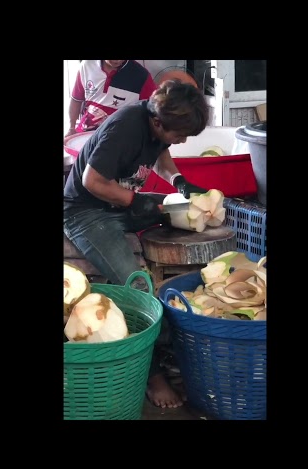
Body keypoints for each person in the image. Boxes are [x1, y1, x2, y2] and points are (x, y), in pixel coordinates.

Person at [63, 79, 210, 408]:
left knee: (185, 214)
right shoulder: (126, 127)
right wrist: (135, 201)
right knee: (135, 283)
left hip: (119, 204)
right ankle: (152, 376)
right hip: (85, 213)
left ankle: (176, 349)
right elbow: (91, 180)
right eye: (179, 134)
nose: (182, 140)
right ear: (158, 122)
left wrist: (178, 181)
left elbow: (163, 150)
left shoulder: (157, 121)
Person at [65, 60, 158, 137]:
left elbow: (153, 109)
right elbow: (76, 99)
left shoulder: (141, 76)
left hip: (116, 138)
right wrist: (72, 128)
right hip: (85, 133)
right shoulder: (87, 65)